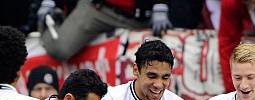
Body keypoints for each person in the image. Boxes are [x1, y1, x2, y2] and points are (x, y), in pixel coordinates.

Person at [39, 0, 173, 61]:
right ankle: (52, 20)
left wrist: (160, 5)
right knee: (60, 49)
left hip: (140, 17)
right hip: (98, 9)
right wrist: (50, 2)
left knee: (159, 59)